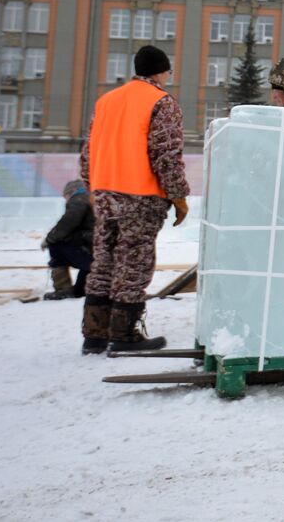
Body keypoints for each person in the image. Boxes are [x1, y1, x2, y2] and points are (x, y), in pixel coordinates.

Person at [79, 45, 190, 355]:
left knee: (103, 261)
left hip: (104, 195)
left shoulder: (106, 101)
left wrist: (93, 188)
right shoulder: (161, 102)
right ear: (161, 71)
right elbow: (166, 155)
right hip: (140, 196)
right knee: (134, 262)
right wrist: (178, 196)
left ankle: (94, 334)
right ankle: (124, 333)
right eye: (169, 71)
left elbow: (87, 151)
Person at [42, 180, 94, 300]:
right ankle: (83, 289)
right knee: (80, 290)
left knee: (57, 245)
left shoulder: (79, 198)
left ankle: (63, 289)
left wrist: (50, 238)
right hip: (99, 248)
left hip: (90, 245)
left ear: (71, 192)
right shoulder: (95, 197)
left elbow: (68, 222)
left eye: (65, 197)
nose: (66, 200)